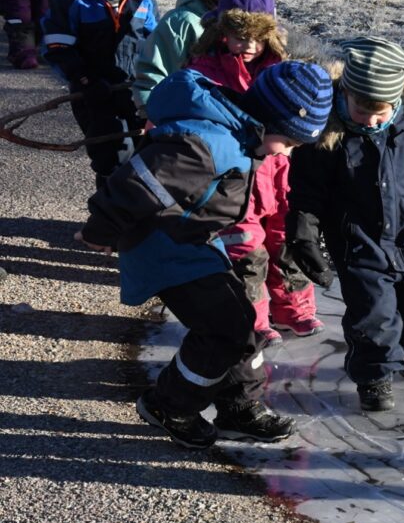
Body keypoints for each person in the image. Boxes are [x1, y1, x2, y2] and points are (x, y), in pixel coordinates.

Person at [75, 60, 334, 449]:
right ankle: (169, 404)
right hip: (164, 247)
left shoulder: (238, 135)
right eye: (290, 142)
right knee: (223, 329)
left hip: (193, 241)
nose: (288, 153)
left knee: (243, 322)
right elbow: (138, 184)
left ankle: (238, 406)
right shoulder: (206, 145)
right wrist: (101, 229)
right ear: (269, 119)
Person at [287, 37, 404, 412]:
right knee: (374, 312)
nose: (372, 120)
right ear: (345, 92)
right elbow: (307, 194)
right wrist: (303, 230)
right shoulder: (325, 136)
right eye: (362, 110)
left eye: (381, 112)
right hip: (356, 238)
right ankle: (373, 373)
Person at [186, 0, 323, 346]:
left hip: (280, 178)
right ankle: (255, 318)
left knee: (285, 242)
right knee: (247, 250)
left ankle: (294, 308)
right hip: (236, 180)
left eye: (257, 37)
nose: (247, 45)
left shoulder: (283, 72)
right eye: (237, 35)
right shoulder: (205, 72)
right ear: (221, 32)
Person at [39, 0, 157, 189]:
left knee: (144, 150)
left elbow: (156, 41)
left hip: (137, 89)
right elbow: (56, 46)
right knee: (111, 154)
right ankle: (107, 218)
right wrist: (84, 79)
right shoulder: (70, 0)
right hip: (94, 92)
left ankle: (134, 215)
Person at [132, 0, 284, 113]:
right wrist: (154, 115)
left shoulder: (263, 50)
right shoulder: (184, 22)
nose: (253, 0)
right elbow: (153, 75)